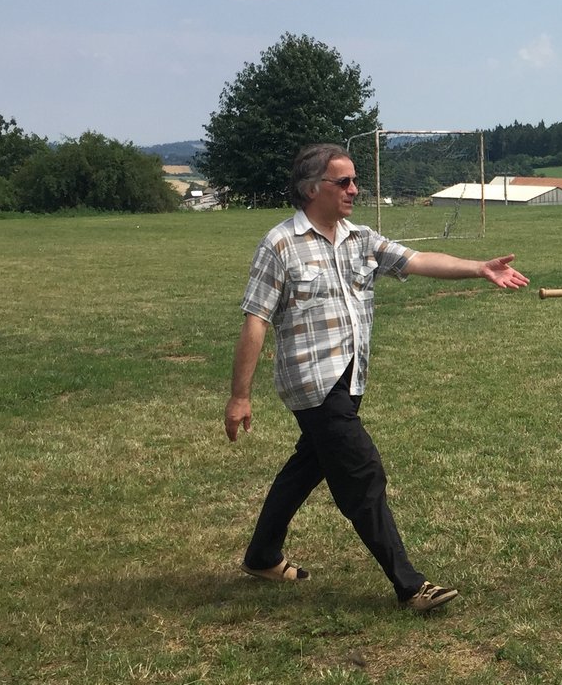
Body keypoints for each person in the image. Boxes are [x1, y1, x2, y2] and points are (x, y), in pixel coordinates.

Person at [224, 143, 529, 611]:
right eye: (343, 181)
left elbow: (418, 260)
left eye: (354, 180)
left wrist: (478, 268)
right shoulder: (280, 244)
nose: (354, 189)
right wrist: (239, 396)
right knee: (361, 471)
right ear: (312, 188)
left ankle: (262, 555)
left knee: (309, 465)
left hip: (350, 379)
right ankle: (409, 585)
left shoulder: (361, 239)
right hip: (311, 383)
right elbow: (256, 319)